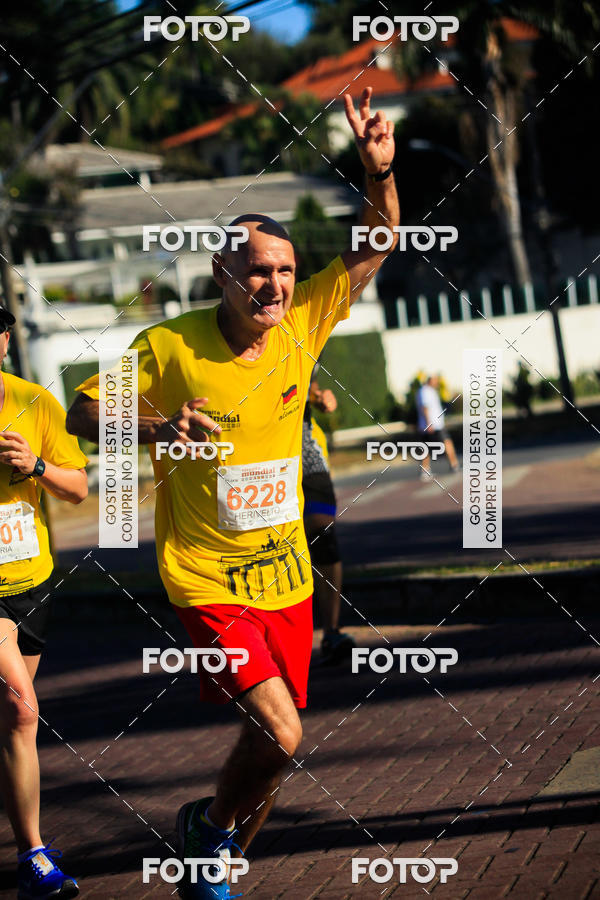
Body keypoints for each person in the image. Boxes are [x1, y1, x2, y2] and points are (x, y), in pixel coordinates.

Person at [66, 86, 399, 900]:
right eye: (258, 271)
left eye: (285, 270)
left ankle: (206, 861)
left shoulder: (300, 326)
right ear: (222, 272)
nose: (275, 286)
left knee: (275, 754)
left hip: (284, 578)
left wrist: (377, 172)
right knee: (280, 733)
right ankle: (208, 836)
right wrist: (155, 430)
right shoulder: (168, 345)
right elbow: (82, 410)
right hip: (205, 578)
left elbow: (374, 246)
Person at [0, 305, 88, 899]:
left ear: (4, 339)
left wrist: (36, 465)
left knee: (13, 726)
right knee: (23, 710)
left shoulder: (34, 402)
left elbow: (80, 488)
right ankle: (34, 855)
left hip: (33, 581)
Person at [301, 367, 355, 664]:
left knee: (324, 537)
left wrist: (319, 397)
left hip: (305, 451)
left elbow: (308, 383)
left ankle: (331, 631)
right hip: (259, 453)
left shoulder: (305, 332)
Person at [415, 374, 459, 481]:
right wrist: (429, 423)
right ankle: (454, 465)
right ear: (430, 380)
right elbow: (425, 407)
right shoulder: (425, 391)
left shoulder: (429, 391)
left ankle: (425, 471)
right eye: (435, 381)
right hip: (433, 425)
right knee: (446, 442)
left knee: (426, 447)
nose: (437, 383)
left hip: (432, 424)